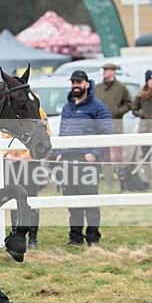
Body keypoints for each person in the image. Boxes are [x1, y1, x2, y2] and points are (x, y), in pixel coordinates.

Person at [55, 70, 113, 246]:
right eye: (73, 82)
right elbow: (63, 132)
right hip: (67, 160)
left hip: (86, 159)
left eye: (79, 82)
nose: (75, 85)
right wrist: (58, 152)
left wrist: (95, 153)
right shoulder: (67, 107)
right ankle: (75, 237)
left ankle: (93, 237)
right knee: (72, 201)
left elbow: (107, 131)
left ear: (87, 84)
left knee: (90, 200)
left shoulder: (98, 107)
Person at [3, 108, 50, 249]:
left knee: (31, 199)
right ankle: (16, 234)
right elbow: (1, 135)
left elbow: (45, 135)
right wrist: (6, 154)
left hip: (30, 163)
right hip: (10, 164)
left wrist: (27, 156)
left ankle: (33, 237)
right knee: (13, 199)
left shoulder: (38, 111)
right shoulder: (8, 112)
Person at [94, 62, 132, 191]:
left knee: (118, 156)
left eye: (107, 70)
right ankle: (109, 184)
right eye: (104, 70)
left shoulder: (121, 88)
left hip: (115, 125)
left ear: (113, 72)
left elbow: (128, 103)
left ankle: (123, 183)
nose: (105, 72)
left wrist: (118, 111)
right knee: (105, 157)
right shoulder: (97, 88)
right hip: (101, 126)